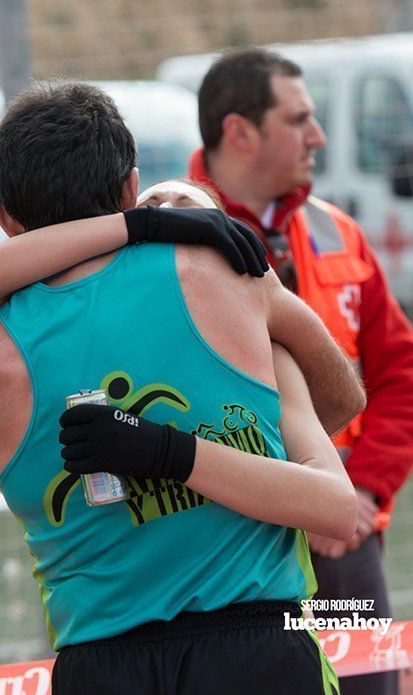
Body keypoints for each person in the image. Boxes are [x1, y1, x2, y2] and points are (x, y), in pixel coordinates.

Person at [0, 81, 364, 695]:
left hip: (100, 663)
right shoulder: (222, 272)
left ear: (3, 217)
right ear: (130, 187)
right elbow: (344, 402)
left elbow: (2, 473)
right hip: (256, 648)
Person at [187, 47, 413, 695]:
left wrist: (362, 491)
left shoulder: (336, 230)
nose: (317, 136)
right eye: (298, 119)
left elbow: (399, 370)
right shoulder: (169, 240)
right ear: (239, 132)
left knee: (367, 686)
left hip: (343, 539)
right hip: (231, 552)